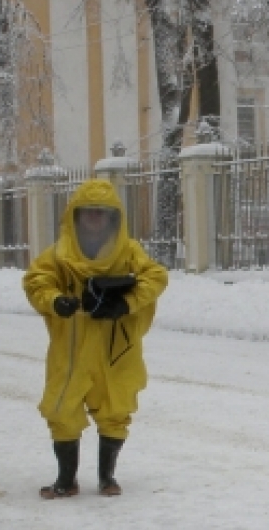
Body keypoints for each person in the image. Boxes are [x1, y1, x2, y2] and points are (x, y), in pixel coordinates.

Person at [22, 179, 169, 497]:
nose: (93, 219)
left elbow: (156, 276)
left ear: (113, 218)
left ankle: (107, 476)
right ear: (75, 216)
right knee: (61, 409)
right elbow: (37, 281)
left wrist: (126, 303)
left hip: (115, 346)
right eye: (87, 213)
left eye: (100, 213)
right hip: (71, 346)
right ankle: (66, 479)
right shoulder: (59, 255)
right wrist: (55, 301)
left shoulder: (129, 252)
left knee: (116, 407)